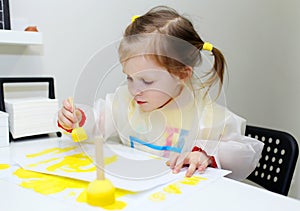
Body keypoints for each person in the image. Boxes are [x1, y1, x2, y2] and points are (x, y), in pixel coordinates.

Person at [58, 6, 264, 180]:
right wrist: (77, 118)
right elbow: (97, 121)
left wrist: (206, 155)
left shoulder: (205, 114)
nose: (134, 90)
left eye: (147, 81)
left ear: (182, 74)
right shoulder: (126, 101)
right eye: (129, 77)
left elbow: (246, 153)